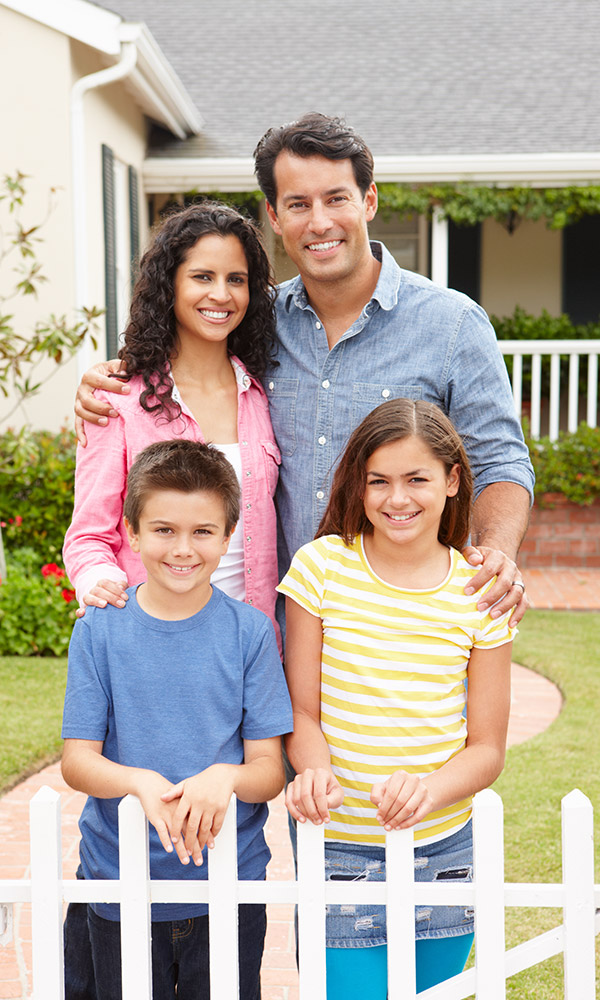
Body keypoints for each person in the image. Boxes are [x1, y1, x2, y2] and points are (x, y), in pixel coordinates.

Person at [74, 113, 533, 626]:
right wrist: (116, 379)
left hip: (406, 624)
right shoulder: (255, 324)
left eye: (336, 198)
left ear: (369, 201)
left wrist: (495, 550)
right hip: (281, 631)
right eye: (298, 204)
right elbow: (187, 361)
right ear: (274, 215)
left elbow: (500, 462)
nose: (319, 222)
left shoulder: (453, 325)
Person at [278, 399, 514, 998]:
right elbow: (300, 711)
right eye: (378, 480)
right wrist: (315, 770)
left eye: (417, 479)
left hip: (443, 847)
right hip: (340, 843)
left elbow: (487, 749)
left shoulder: (478, 593)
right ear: (357, 483)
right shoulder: (321, 568)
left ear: (453, 480)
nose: (396, 498)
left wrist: (428, 792)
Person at [61, 439, 293, 1000]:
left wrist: (227, 777)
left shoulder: (251, 633)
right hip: (118, 882)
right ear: (132, 534)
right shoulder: (99, 630)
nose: (183, 549)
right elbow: (78, 761)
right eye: (163, 530)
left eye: (202, 532)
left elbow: (269, 769)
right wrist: (136, 781)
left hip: (226, 887)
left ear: (229, 535)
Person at [64, 201, 281, 646]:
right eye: (203, 277)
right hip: (152, 642)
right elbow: (89, 536)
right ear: (170, 286)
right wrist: (99, 584)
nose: (221, 294)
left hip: (251, 647)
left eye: (236, 280)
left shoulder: (263, 393)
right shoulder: (118, 398)